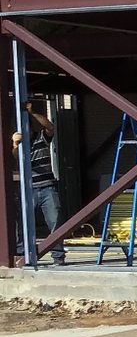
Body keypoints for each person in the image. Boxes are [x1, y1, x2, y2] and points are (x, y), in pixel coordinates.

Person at [11, 98, 66, 265]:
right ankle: (23, 254)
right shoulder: (20, 145)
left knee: (55, 221)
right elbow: (16, 158)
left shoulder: (41, 139)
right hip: (29, 189)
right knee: (24, 223)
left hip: (48, 188)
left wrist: (32, 112)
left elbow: (50, 127)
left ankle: (58, 256)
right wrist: (15, 143)